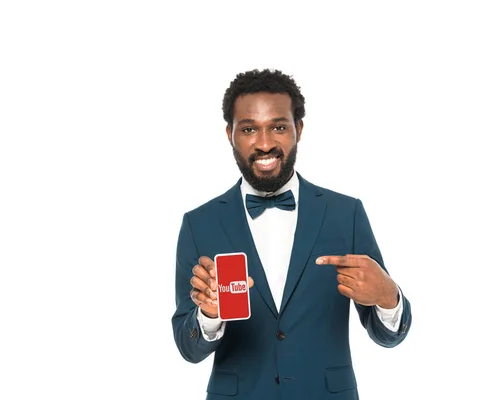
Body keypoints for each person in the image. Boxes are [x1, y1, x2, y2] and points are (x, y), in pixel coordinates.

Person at [171, 69, 412, 399]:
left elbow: (388, 336)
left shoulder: (346, 214)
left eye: (279, 127)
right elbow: (188, 348)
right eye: (249, 129)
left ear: (298, 129)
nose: (265, 142)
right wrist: (209, 314)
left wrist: (388, 297)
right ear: (230, 134)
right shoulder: (199, 224)